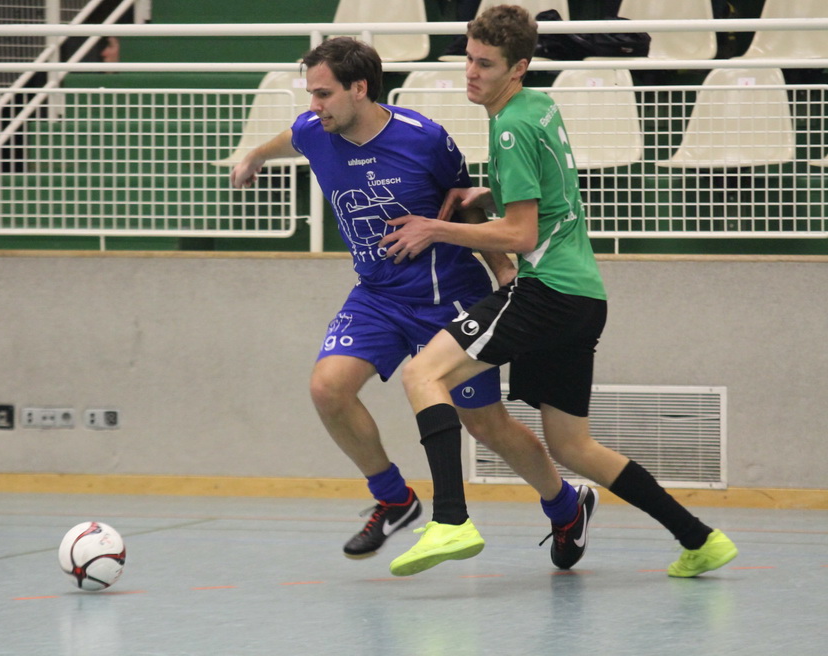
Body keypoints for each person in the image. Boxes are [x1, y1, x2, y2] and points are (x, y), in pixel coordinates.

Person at [380, 4, 739, 578]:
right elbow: (546, 194)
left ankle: (450, 519)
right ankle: (701, 539)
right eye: (469, 59)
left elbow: (521, 236)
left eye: (485, 64)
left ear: (518, 67)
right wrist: (486, 196)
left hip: (545, 291)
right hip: (583, 296)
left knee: (423, 374)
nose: (470, 72)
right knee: (574, 447)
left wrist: (435, 229)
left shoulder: (510, 127)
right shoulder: (538, 105)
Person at [230, 36, 596, 567]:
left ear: (359, 89)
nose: (314, 105)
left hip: (448, 298)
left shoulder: (424, 139)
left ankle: (566, 506)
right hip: (377, 296)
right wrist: (255, 156)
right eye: (310, 94)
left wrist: (503, 273)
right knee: (328, 389)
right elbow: (293, 136)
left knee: (485, 425)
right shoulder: (316, 128)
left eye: (323, 94)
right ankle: (394, 498)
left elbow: (464, 206)